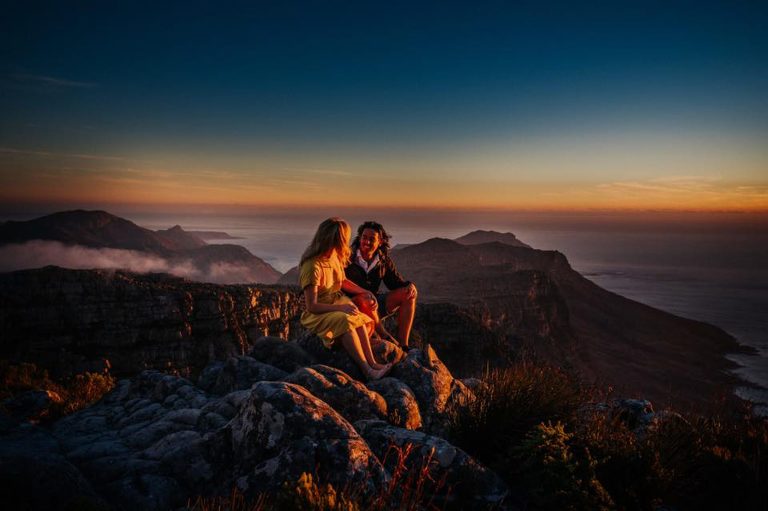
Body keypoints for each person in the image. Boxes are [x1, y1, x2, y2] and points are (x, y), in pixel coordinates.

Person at [299, 217, 392, 380]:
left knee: (358, 316)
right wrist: (341, 308)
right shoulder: (312, 266)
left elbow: (341, 281)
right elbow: (312, 306)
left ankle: (373, 363)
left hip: (335, 302)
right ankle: (367, 370)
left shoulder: (333, 257)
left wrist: (365, 292)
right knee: (346, 320)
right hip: (318, 313)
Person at [345, 221, 418, 349]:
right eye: (364, 237)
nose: (366, 242)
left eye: (371, 239)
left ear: (380, 242)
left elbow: (395, 283)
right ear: (359, 238)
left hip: (374, 303)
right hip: (352, 306)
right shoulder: (347, 258)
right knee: (366, 300)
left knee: (409, 294)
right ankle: (382, 334)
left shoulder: (382, 260)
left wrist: (410, 286)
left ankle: (403, 345)